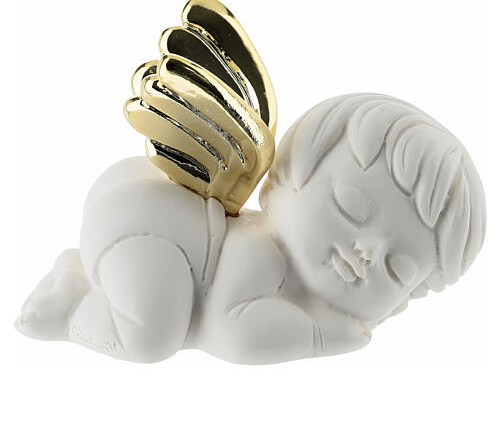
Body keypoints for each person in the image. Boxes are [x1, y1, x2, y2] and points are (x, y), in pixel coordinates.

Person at [16, 94, 486, 364]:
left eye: (397, 267)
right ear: (284, 179)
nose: (367, 251)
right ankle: (71, 301)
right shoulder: (261, 254)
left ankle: (83, 279)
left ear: (404, 300)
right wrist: (318, 337)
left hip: (143, 213)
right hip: (146, 231)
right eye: (351, 207)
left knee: (156, 323)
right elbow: (230, 332)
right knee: (149, 337)